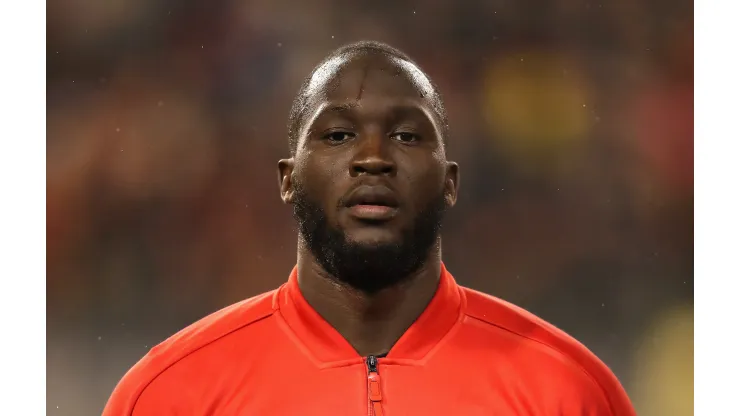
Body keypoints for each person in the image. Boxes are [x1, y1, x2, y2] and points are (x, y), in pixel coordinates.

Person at [103, 41, 636, 415]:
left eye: (406, 136)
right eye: (337, 136)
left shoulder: (567, 392)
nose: (373, 158)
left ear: (450, 182)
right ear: (288, 179)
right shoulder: (170, 395)